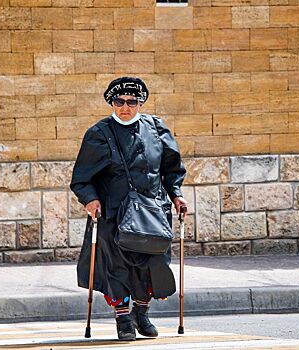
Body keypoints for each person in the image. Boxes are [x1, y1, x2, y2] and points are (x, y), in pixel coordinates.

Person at [70, 76, 187, 341]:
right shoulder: (98, 134)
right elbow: (81, 179)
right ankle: (123, 317)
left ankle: (141, 313)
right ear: (112, 103)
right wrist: (90, 199)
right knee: (117, 266)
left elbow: (171, 169)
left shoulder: (157, 128)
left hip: (153, 212)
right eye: (119, 102)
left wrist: (176, 195)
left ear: (140, 102)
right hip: (114, 214)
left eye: (132, 102)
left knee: (153, 264)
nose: (126, 107)